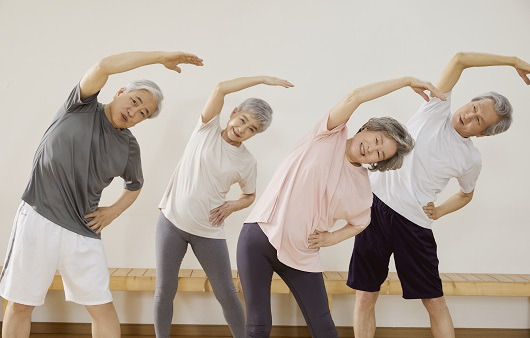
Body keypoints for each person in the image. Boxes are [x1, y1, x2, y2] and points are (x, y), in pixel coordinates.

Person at [0, 50, 203, 338]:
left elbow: (135, 186)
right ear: (120, 91)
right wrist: (160, 58)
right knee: (21, 303)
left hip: (82, 231)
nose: (133, 112)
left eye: (142, 113)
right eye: (134, 101)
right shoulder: (80, 106)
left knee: (101, 306)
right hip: (38, 216)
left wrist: (112, 211)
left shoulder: (129, 148)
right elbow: (104, 65)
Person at [237, 76, 441, 337]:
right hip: (259, 237)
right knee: (258, 324)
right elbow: (356, 96)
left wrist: (331, 237)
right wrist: (405, 81)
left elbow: (361, 222)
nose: (372, 149)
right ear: (366, 128)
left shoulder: (361, 187)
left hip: (302, 254)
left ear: (379, 164)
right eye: (377, 140)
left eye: (380, 154)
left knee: (324, 327)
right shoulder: (327, 134)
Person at [348, 52, 530, 338]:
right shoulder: (437, 108)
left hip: (415, 226)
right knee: (366, 294)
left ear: (483, 134)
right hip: (376, 210)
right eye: (474, 106)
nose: (469, 114)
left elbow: (466, 194)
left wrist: (440, 210)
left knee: (433, 300)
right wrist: (513, 61)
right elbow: (460, 59)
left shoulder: (471, 159)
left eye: (478, 120)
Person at [154, 76, 293, 338]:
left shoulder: (247, 162)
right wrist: (263, 79)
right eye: (242, 120)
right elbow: (220, 88)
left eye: (251, 129)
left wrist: (231, 206)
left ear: (255, 134)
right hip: (171, 222)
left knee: (226, 292)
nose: (242, 129)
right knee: (164, 289)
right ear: (233, 113)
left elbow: (249, 195)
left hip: (208, 230)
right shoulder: (205, 129)